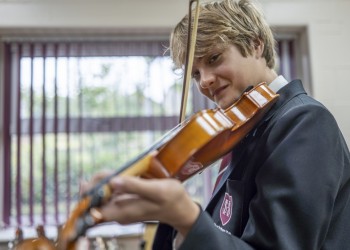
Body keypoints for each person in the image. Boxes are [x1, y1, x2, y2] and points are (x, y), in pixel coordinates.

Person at [84, 0, 350, 249]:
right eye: (196, 73)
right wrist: (168, 215)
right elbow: (228, 233)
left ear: (256, 45)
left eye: (214, 58)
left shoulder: (304, 122)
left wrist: (187, 216)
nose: (204, 82)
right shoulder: (242, 131)